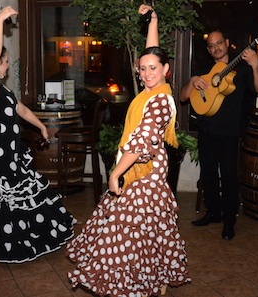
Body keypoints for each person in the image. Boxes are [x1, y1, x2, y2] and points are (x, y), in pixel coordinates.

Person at [66, 4, 190, 297]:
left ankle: (130, 282)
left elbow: (141, 141)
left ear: (166, 70)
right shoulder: (153, 88)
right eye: (143, 68)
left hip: (143, 172)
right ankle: (156, 277)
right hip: (142, 167)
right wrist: (153, 20)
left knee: (124, 234)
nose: (147, 73)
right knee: (148, 231)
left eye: (153, 69)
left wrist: (116, 174)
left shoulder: (160, 101)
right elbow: (153, 50)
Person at [0, 6, 75, 268]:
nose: (5, 64)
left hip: (14, 153)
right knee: (0, 202)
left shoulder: (3, 90)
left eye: (3, 61)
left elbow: (20, 109)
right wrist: (1, 20)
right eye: (3, 61)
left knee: (28, 195)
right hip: (1, 155)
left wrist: (42, 127)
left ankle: (35, 235)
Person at [180, 30, 258, 239]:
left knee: (228, 178)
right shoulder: (204, 70)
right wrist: (192, 81)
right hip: (207, 130)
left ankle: (229, 221)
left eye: (219, 42)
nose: (216, 47)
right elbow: (183, 97)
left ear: (227, 43)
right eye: (211, 45)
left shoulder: (244, 70)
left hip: (229, 133)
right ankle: (213, 213)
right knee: (208, 174)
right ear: (208, 50)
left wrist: (255, 64)